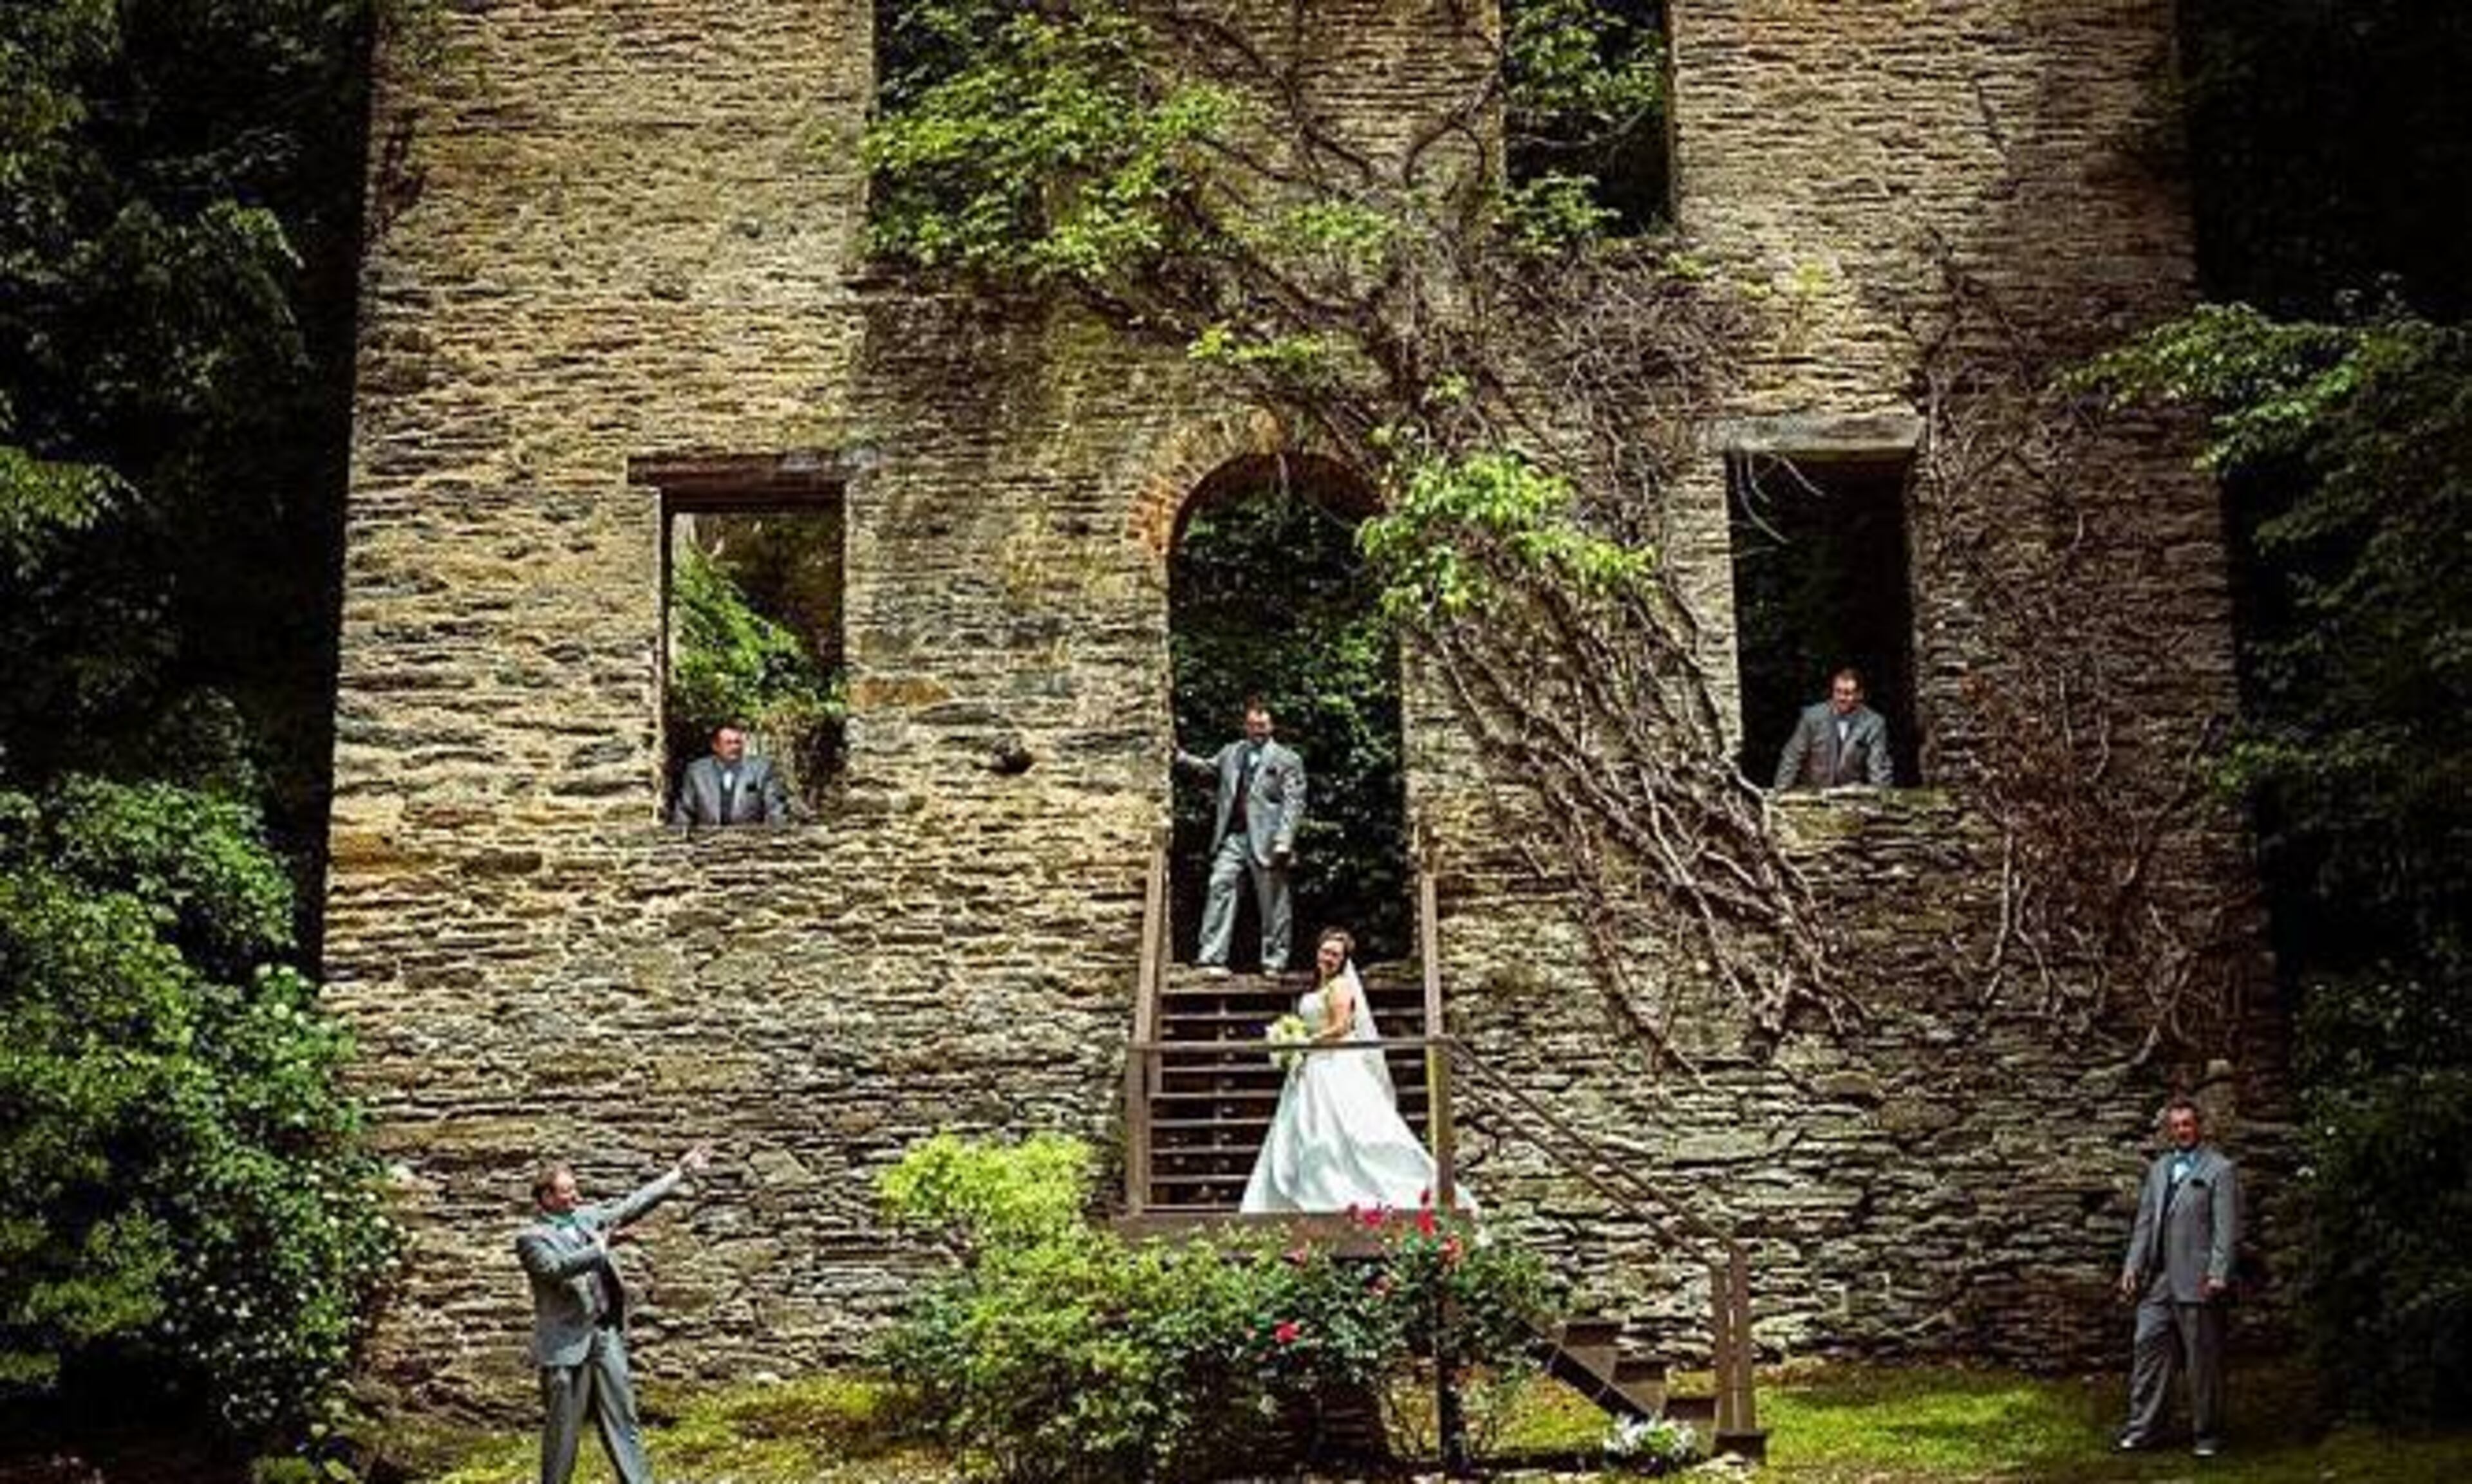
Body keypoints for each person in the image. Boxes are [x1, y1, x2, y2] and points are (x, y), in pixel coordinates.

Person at [517, 1142, 714, 1484]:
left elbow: (632, 1204)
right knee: (563, 1432)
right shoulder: (531, 1237)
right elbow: (555, 1269)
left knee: (624, 1418)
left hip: (604, 1335)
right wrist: (602, 1247)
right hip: (566, 1345)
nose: (575, 1197)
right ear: (546, 1198)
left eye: (575, 1188)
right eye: (566, 1192)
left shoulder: (587, 1218)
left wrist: (679, 1173)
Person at [1241, 927, 1466, 1213]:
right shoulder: (1318, 988)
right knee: (1306, 1128)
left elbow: (1342, 1027)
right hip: (1312, 1066)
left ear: (1344, 960)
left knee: (1338, 1126)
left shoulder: (1340, 986)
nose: (1329, 958)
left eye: (1335, 954)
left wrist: (1306, 1041)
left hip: (1334, 1064)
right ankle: (1305, 1190)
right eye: (1325, 951)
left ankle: (1340, 1189)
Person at [2115, 1097, 2242, 1459]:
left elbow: (2227, 1230)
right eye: (2176, 1125)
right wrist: (2132, 1267)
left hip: (2200, 1281)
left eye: (2187, 1124)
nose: (2182, 1130)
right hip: (2159, 1281)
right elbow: (2144, 1223)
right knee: (2147, 1348)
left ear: (2199, 1126)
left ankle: (2207, 1434)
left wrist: (2219, 1274)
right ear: (2169, 1130)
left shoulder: (2220, 1169)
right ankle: (2143, 1430)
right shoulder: (2158, 1170)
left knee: (2203, 1361)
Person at [1174, 697, 1306, 974]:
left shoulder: (1287, 759)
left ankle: (1274, 962)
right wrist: (1178, 755)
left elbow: (1294, 803)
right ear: (1245, 726)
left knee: (1273, 903)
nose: (1257, 729)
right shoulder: (1231, 753)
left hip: (1270, 842)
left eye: (1263, 724)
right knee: (1219, 886)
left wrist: (1285, 840)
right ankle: (1211, 958)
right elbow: (1207, 768)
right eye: (1252, 724)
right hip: (1233, 837)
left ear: (1272, 726)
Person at [1773, 667, 1894, 790]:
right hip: (1814, 793)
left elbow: (1878, 766)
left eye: (1848, 693)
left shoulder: (1874, 723)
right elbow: (1792, 756)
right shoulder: (1812, 716)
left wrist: (1881, 798)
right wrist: (1780, 791)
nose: (1841, 698)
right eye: (1838, 692)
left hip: (1852, 796)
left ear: (1860, 695)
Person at [669, 722, 791, 827]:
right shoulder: (696, 771)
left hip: (750, 843)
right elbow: (684, 811)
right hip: (707, 844)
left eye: (737, 743)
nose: (734, 747)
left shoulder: (762, 769)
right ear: (715, 746)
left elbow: (775, 810)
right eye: (729, 743)